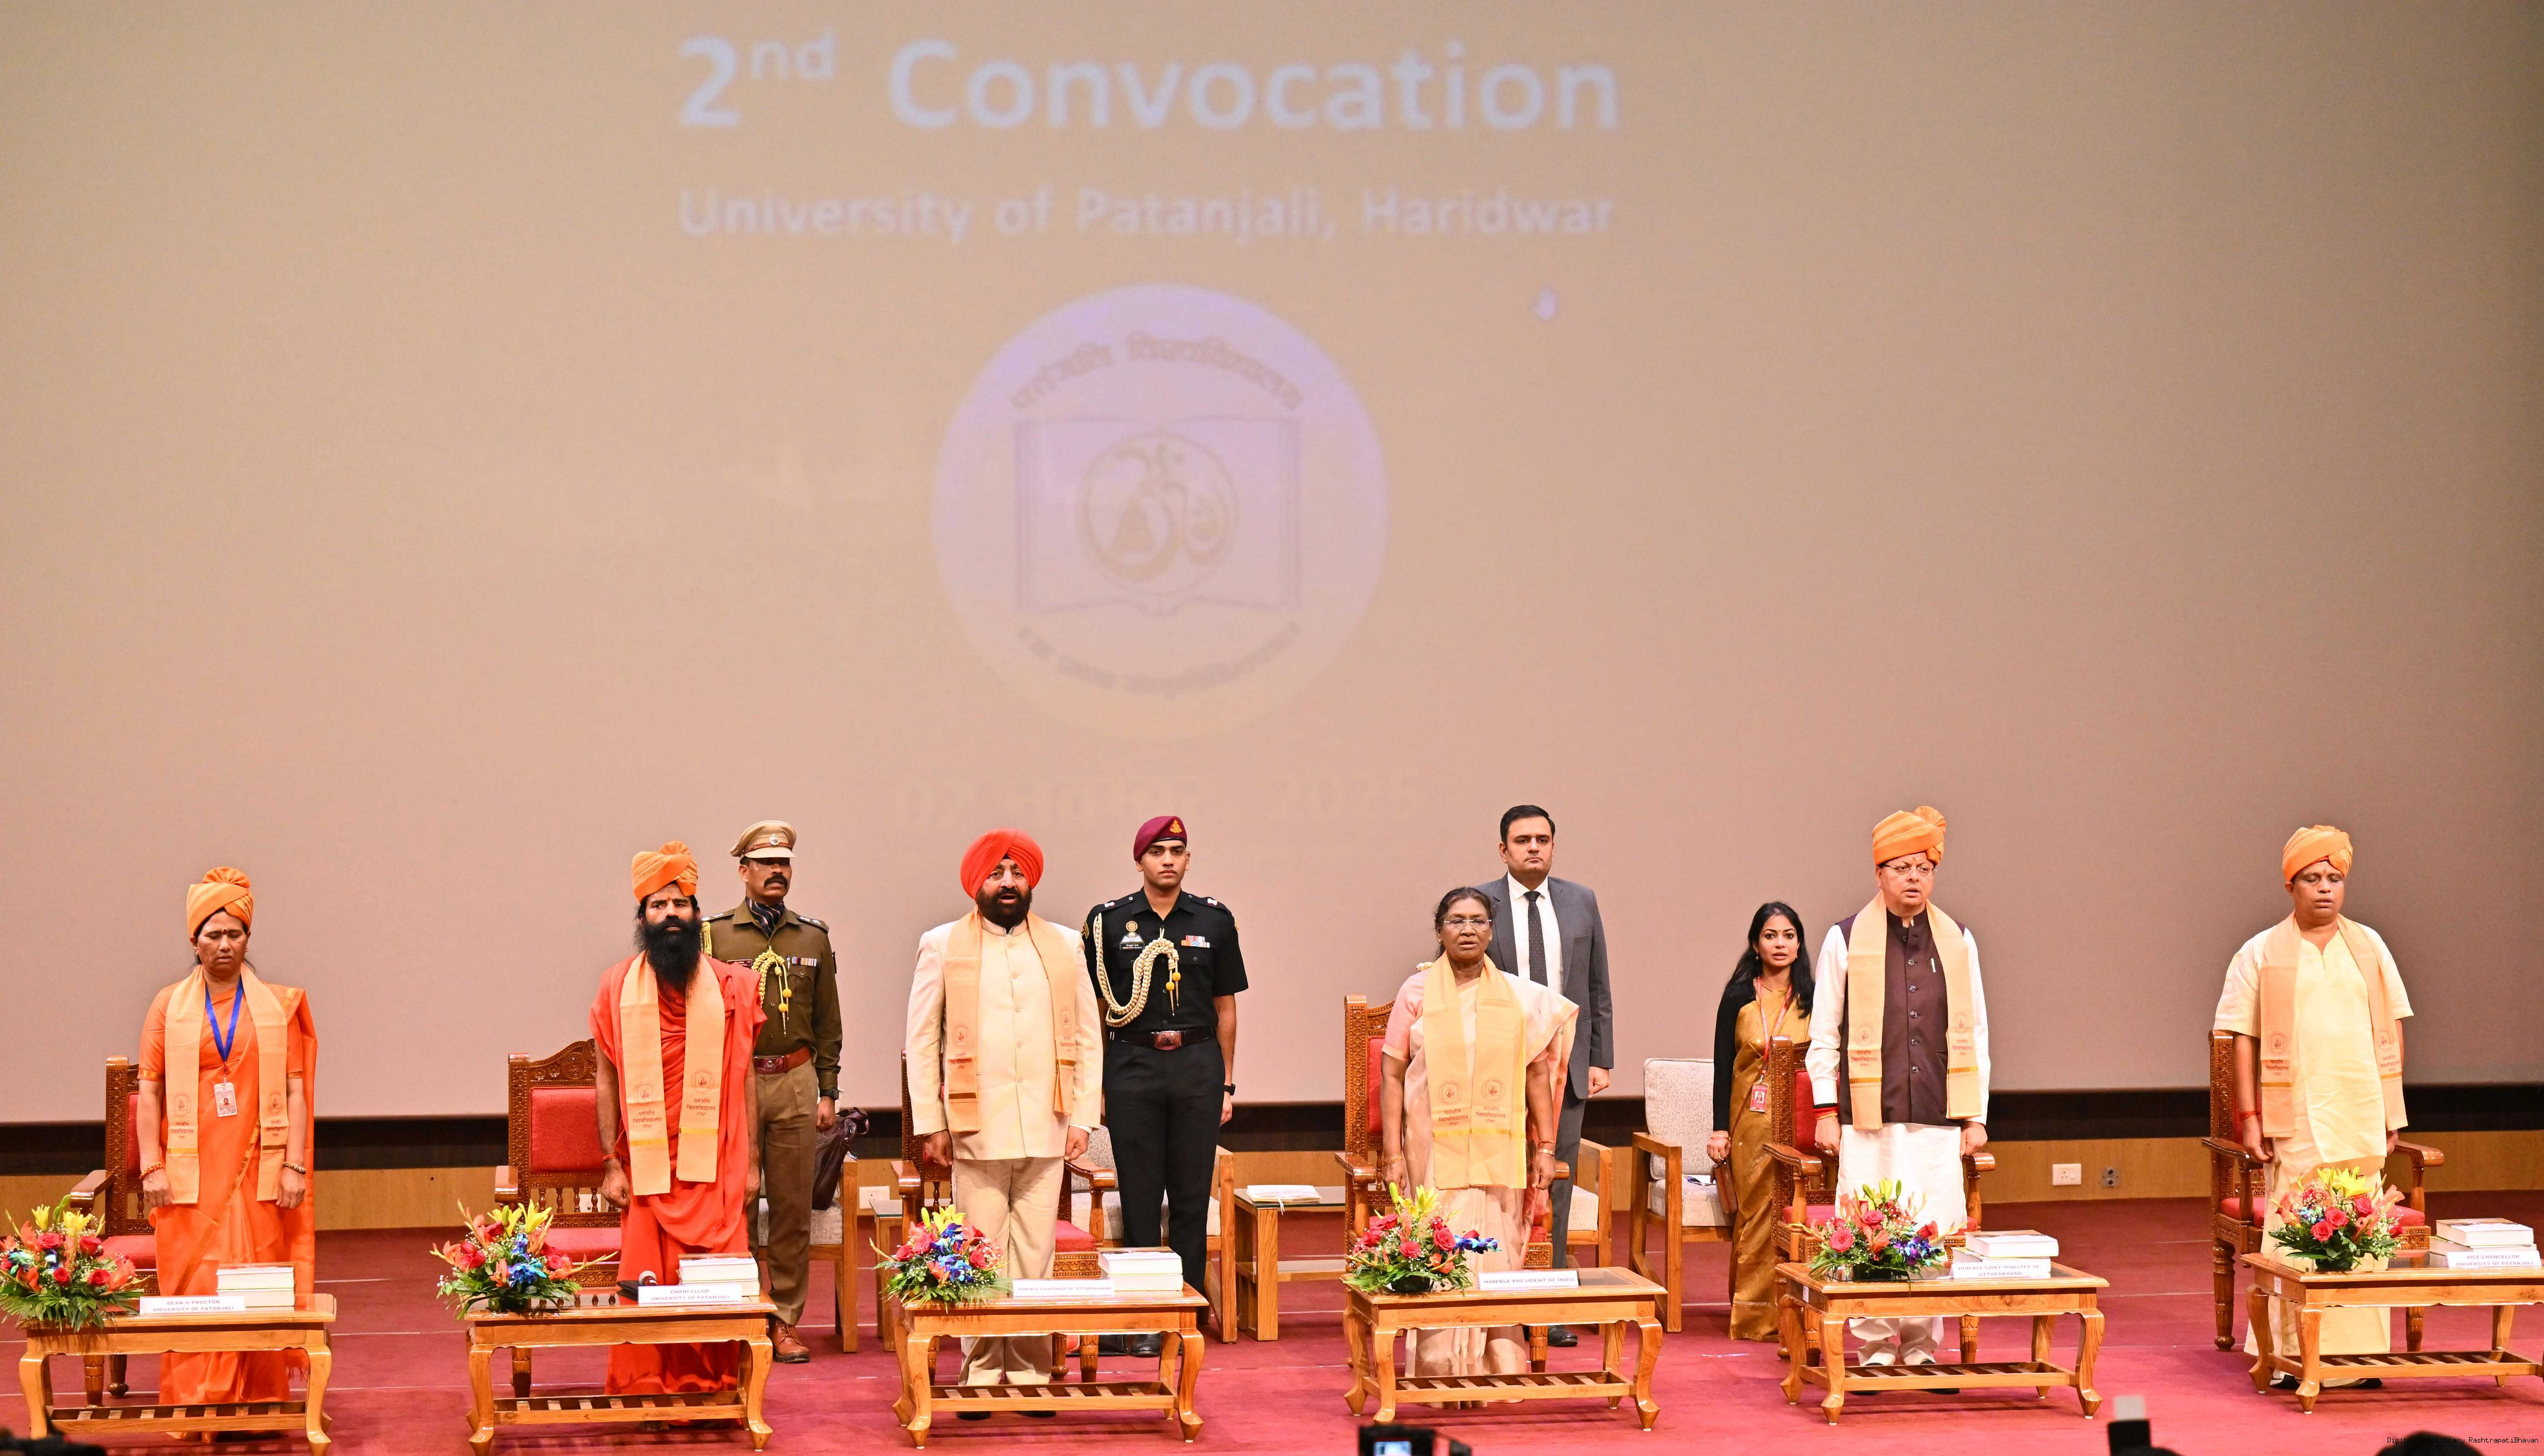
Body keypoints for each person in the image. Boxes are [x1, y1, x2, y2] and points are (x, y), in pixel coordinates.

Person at [906, 830, 1102, 1406]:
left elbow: (1087, 1037)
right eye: (996, 873)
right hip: (975, 1128)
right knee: (981, 1251)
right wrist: (931, 1122)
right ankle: (981, 1372)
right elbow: (922, 1040)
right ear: (977, 883)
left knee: (1036, 1254)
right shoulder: (942, 944)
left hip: (1048, 1122)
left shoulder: (1064, 944)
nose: (1008, 883)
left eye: (1016, 873)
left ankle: (1030, 1374)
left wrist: (1083, 1116)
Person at [2216, 825, 2413, 1383]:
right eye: (2311, 878)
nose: (2324, 888)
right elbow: (2240, 1037)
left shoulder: (2370, 946)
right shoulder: (2259, 951)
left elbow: (2393, 1027)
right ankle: (2288, 1355)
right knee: (2296, 1230)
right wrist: (2248, 1117)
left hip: (2359, 1110)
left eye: (2334, 878)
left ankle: (2359, 1357)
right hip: (2296, 1116)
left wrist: (2391, 1108)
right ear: (2290, 886)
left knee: (2363, 1227)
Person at [1806, 806, 1990, 1367]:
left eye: (1923, 868)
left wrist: (1976, 1115)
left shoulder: (1957, 940)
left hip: (1939, 1110)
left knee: (1934, 1223)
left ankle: (1920, 1345)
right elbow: (1823, 1031)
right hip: (1868, 1115)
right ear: (1879, 873)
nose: (1914, 878)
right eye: (1901, 867)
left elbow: (1976, 1030)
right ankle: (1874, 1343)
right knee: (1870, 1221)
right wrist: (1825, 1109)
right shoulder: (1844, 938)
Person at [136, 867, 318, 1406]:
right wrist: (151, 1166)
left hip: (259, 1169)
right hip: (188, 1176)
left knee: (254, 1275)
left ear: (248, 938)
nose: (224, 944)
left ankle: (256, 1400)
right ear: (193, 940)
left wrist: (295, 1165)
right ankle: (197, 1404)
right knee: (197, 1283)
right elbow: (149, 1092)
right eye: (213, 934)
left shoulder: (277, 1007)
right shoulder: (167, 1005)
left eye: (234, 933)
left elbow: (295, 1092)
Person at [592, 842, 765, 1396]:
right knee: (649, 1275)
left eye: (680, 903)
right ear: (642, 916)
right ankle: (645, 1386)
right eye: (658, 904)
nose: (670, 913)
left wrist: (752, 1163)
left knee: (715, 1277)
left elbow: (744, 1076)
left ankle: (711, 1386)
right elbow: (606, 1081)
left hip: (715, 1166)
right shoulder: (616, 987)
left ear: (697, 913)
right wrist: (611, 1162)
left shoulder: (733, 985)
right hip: (646, 1170)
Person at [1379, 886, 1573, 1378]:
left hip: (1498, 1150)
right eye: (1456, 920)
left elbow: (1536, 1075)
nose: (1467, 929)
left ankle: (1498, 1366)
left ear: (1491, 930)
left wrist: (1546, 1147)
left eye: (1478, 920)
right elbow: (1392, 1073)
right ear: (1439, 930)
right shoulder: (1415, 992)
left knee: (1496, 1249)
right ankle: (1439, 1367)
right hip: (1431, 1147)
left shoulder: (1518, 996)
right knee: (1440, 1245)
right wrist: (1391, 1154)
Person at [1082, 814, 1245, 1354]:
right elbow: (1095, 1010)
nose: (1168, 859)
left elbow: (1225, 1007)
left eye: (1177, 850)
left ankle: (1185, 1311)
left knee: (1191, 1196)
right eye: (1157, 851)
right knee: (1140, 1194)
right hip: (1132, 1063)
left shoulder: (1214, 919)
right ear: (1139, 861)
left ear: (1188, 859)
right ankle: (1143, 1315)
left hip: (1197, 1064)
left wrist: (1226, 1083)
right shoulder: (1108, 922)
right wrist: (1096, 1083)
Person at [701, 820, 841, 1363]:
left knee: (790, 1209)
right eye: (766, 863)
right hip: (733, 1083)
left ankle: (783, 1319)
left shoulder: (812, 937)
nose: (777, 871)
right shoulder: (714, 936)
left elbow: (827, 1023)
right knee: (735, 1204)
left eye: (784, 863)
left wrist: (828, 1091)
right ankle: (740, 1312)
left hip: (795, 1081)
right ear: (744, 871)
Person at [1472, 804, 1611, 1346]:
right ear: (1502, 849)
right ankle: (1496, 1298)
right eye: (1522, 840)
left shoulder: (1581, 900)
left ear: (1553, 846)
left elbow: (1596, 984)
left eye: (1542, 839)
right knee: (1502, 1183)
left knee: (1556, 1183)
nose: (1533, 847)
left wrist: (1599, 1057)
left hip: (1566, 1064)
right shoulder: (1479, 903)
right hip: (1499, 1065)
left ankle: (1549, 1306)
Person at [1704, 902, 1814, 1340]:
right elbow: (1722, 1064)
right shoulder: (1738, 996)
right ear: (1755, 943)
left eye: (1788, 935)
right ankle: (1754, 1316)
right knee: (1757, 1217)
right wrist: (1719, 1129)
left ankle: (1797, 1309)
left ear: (1799, 943)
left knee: (1797, 1216)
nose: (1780, 944)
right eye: (1770, 935)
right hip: (1749, 1122)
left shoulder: (1813, 997)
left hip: (1802, 1123)